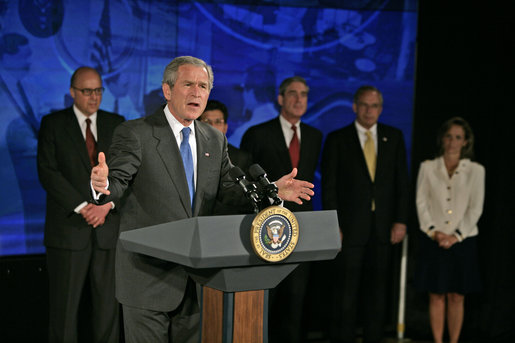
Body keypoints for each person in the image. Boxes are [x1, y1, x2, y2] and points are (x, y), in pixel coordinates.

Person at [89, 56, 315, 343]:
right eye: (188, 84)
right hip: (147, 277)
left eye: (204, 86)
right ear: (168, 90)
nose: (197, 92)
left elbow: (230, 191)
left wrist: (273, 191)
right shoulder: (137, 133)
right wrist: (102, 184)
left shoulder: (213, 139)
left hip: (196, 280)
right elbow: (117, 182)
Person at [37, 66, 124, 342]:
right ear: (73, 92)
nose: (94, 97)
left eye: (98, 90)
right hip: (69, 230)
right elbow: (48, 172)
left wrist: (105, 206)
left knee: (107, 312)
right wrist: (83, 207)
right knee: (64, 313)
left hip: (108, 231)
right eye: (87, 91)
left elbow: (124, 173)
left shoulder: (116, 123)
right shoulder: (53, 124)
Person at [322, 85, 409, 343]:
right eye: (364, 105)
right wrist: (332, 224)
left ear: (380, 109)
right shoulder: (338, 139)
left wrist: (401, 220)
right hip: (349, 230)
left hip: (383, 229)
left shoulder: (393, 137)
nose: (369, 111)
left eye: (374, 106)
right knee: (346, 295)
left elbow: (401, 183)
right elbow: (330, 186)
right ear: (354, 106)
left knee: (378, 294)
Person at [240, 76, 323, 342]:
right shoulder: (257, 134)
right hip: (265, 228)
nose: (299, 99)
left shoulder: (314, 136)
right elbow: (245, 181)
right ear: (280, 98)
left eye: (304, 94)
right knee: (265, 297)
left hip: (301, 229)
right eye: (293, 93)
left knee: (296, 299)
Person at [415, 117, 484, 343]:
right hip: (434, 239)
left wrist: (456, 236)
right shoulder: (427, 167)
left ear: (465, 142)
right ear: (442, 139)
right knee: (436, 294)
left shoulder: (475, 170)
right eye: (449, 136)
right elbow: (421, 203)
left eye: (458, 137)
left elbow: (476, 207)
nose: (453, 142)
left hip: (463, 241)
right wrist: (434, 232)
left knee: (456, 296)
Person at [199, 99, 252, 173]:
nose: (212, 126)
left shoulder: (241, 158)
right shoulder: (189, 152)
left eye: (218, 122)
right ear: (198, 126)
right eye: (207, 122)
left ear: (225, 127)